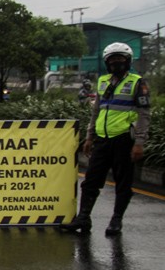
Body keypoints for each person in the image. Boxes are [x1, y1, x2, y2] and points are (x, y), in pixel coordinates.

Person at [61, 42, 151, 237]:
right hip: (102, 139)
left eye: (120, 59)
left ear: (128, 61)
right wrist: (89, 137)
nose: (116, 63)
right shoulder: (103, 82)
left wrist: (139, 143)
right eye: (112, 60)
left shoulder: (137, 83)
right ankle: (84, 218)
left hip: (124, 139)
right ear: (106, 62)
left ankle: (116, 219)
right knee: (91, 180)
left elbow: (144, 115)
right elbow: (96, 112)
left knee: (123, 182)